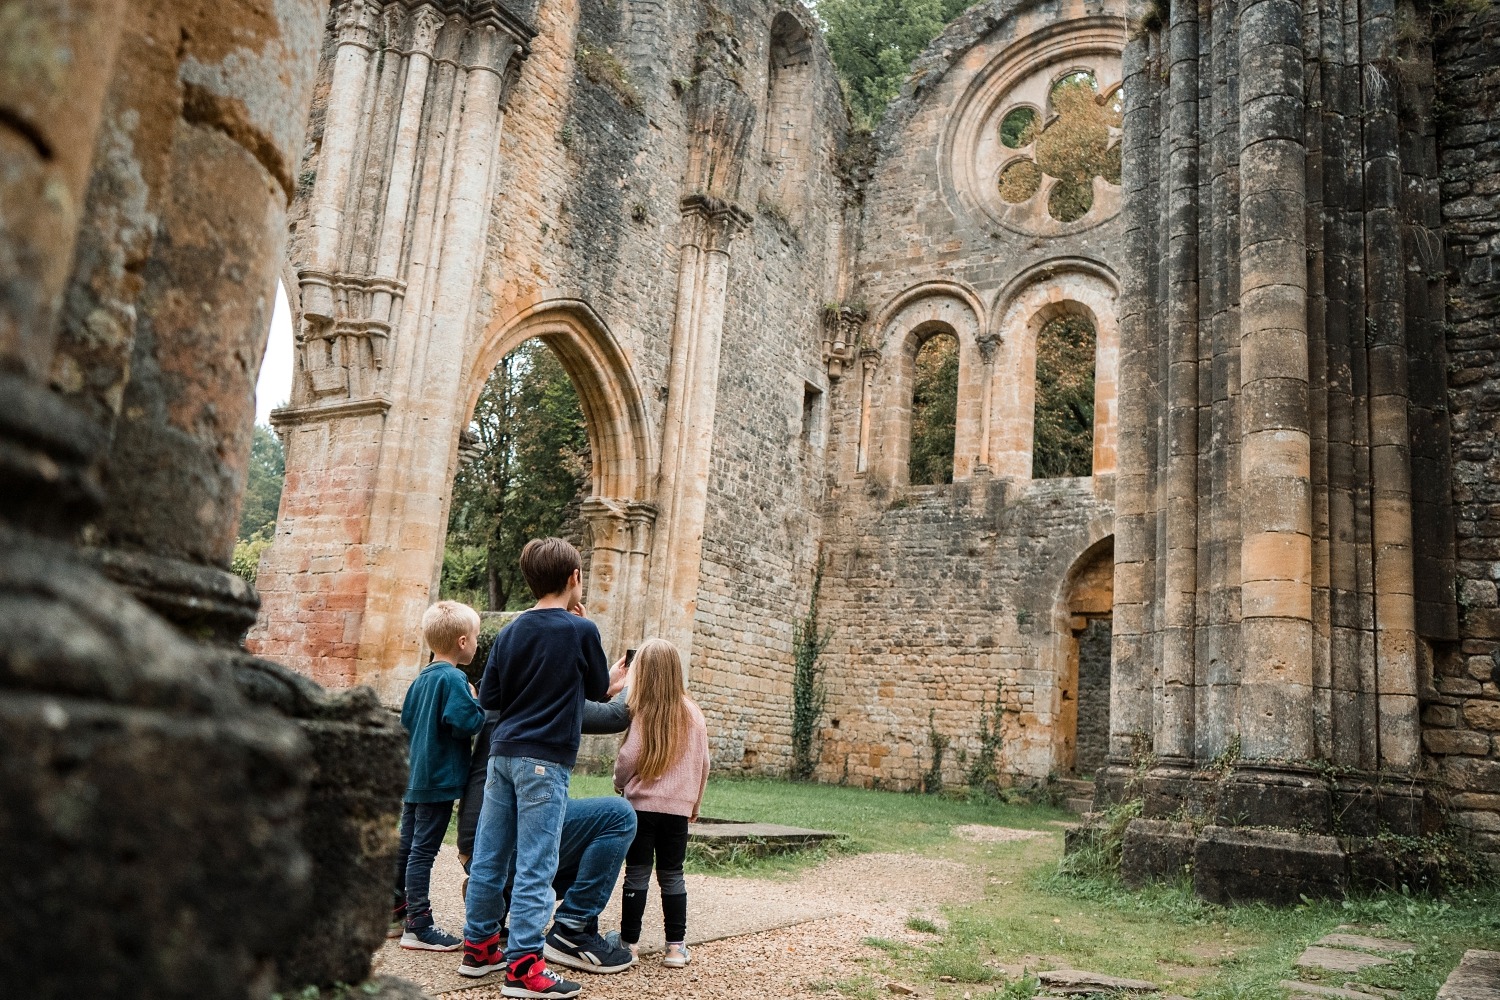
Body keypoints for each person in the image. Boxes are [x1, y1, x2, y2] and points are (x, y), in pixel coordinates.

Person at [459, 538, 631, 997]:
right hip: (544, 761)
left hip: (501, 755)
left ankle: (478, 948)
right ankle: (524, 968)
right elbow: (597, 689)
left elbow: (490, 699)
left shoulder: (512, 630)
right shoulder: (581, 630)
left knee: (490, 857)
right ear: (575, 578)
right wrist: (614, 682)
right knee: (538, 862)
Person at [455, 685, 639, 978]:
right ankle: (571, 929)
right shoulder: (548, 694)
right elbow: (615, 716)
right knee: (617, 816)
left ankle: (494, 911)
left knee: (557, 827)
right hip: (508, 847)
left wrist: (604, 686)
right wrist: (632, 681)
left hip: (473, 844)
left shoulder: (505, 688)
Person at [394, 600, 486, 950]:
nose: (477, 643)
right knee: (423, 851)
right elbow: (466, 723)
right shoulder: (455, 678)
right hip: (438, 781)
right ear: (462, 642)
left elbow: (406, 724)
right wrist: (476, 702)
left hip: (415, 776)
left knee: (407, 843)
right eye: (475, 637)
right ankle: (418, 924)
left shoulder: (421, 679)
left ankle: (396, 909)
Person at [612, 638, 710, 969]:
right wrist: (694, 802)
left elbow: (628, 757)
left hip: (641, 807)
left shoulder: (644, 711)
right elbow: (703, 762)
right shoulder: (694, 713)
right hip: (677, 811)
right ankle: (675, 949)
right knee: (672, 875)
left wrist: (619, 782)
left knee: (636, 874)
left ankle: (630, 945)